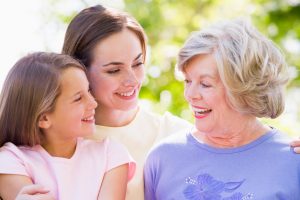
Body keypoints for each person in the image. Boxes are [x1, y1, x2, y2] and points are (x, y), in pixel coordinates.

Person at [144, 19, 300, 199]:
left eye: (205, 84)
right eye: (188, 81)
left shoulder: (292, 162)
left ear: (243, 88)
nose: (190, 94)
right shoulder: (163, 158)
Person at [62, 5, 192, 200]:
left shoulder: (179, 134)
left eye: (138, 64)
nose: (132, 80)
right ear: (80, 71)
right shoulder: (56, 142)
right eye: (114, 70)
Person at [0, 52, 135, 200]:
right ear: (44, 118)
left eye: (88, 91)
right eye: (78, 98)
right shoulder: (10, 161)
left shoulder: (110, 154)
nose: (93, 103)